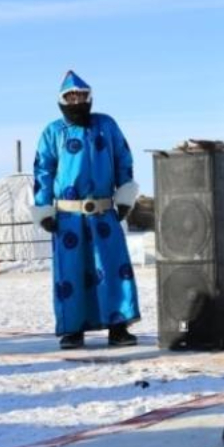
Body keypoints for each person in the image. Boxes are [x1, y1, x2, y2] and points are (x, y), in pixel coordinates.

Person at [32, 69, 141, 349]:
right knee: (72, 273)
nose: (77, 101)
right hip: (68, 218)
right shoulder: (53, 132)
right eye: (71, 96)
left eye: (81, 95)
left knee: (113, 269)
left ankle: (118, 328)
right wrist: (44, 209)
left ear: (89, 97)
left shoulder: (107, 125)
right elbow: (43, 171)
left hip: (104, 212)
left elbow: (123, 160)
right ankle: (72, 330)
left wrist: (125, 197)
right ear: (62, 100)